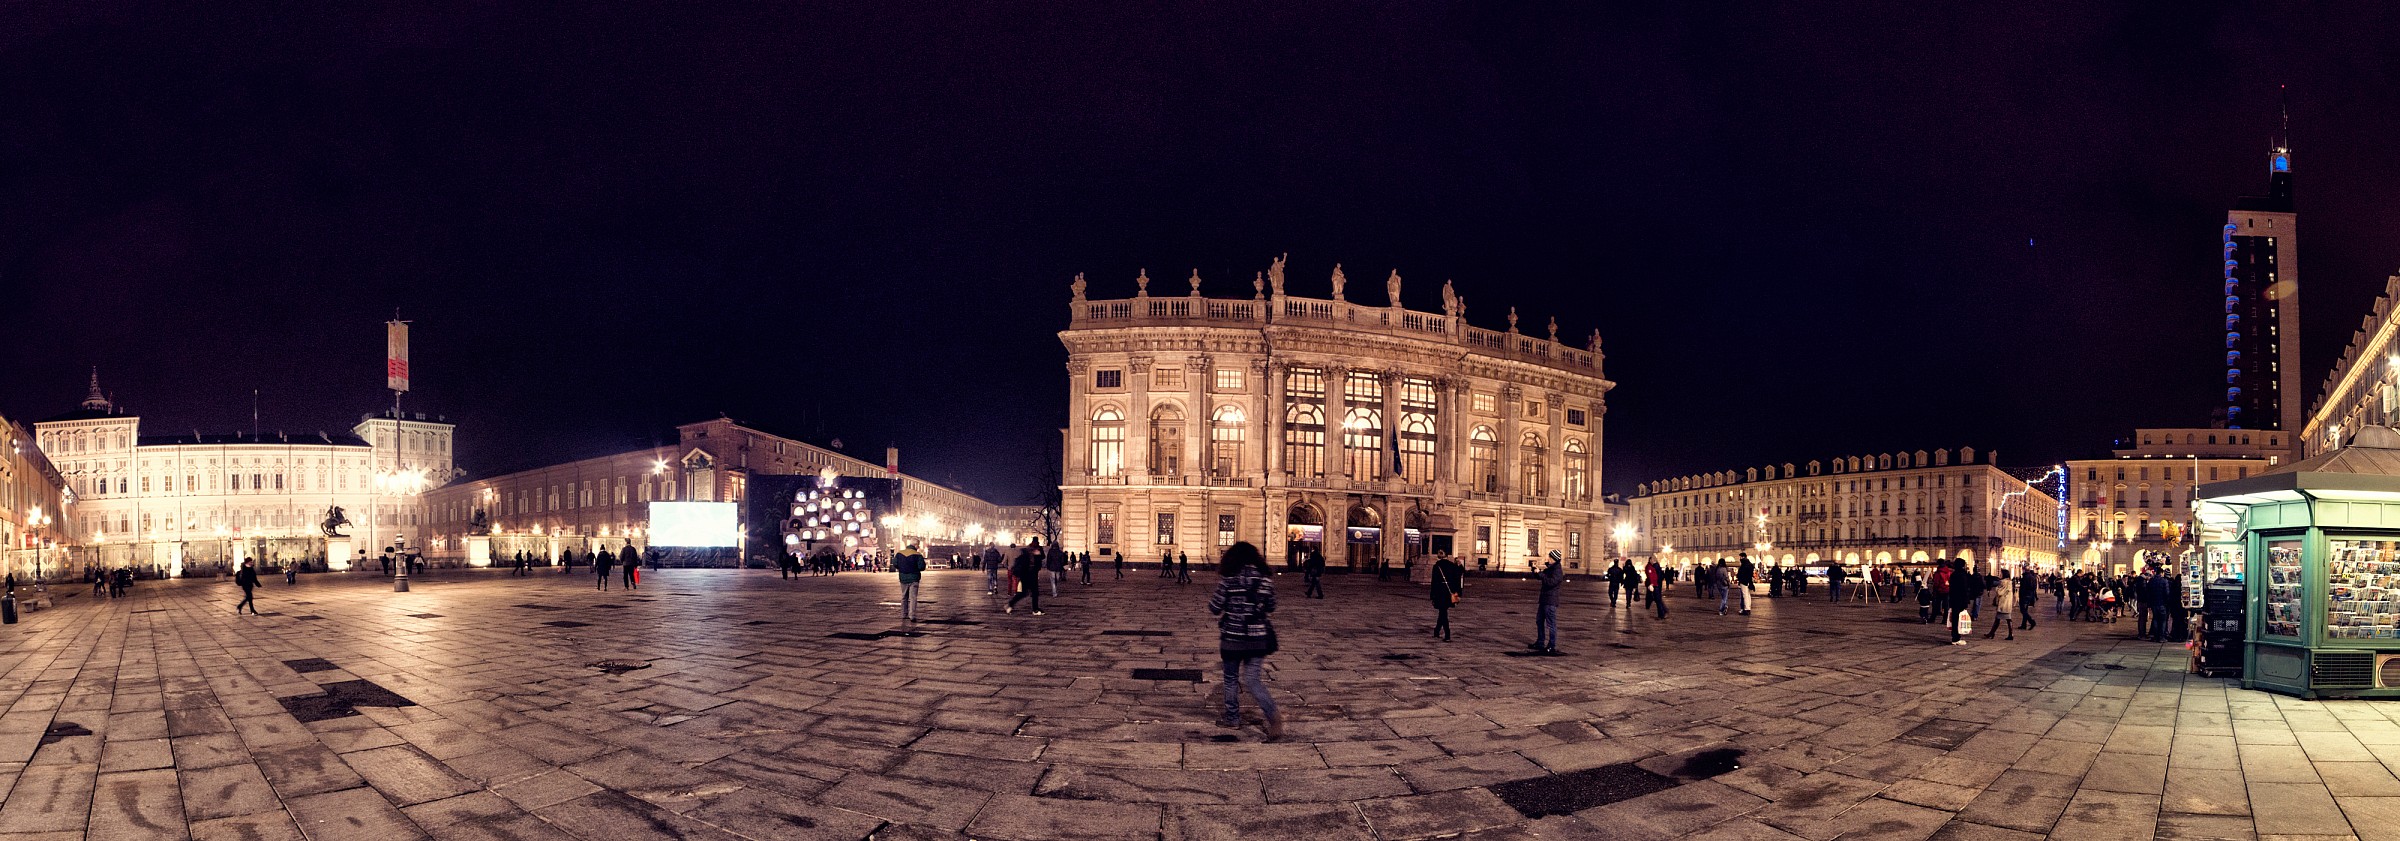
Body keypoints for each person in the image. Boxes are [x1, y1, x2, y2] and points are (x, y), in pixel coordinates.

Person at [1209, 541, 1282, 740]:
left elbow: (1215, 606)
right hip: (1257, 639)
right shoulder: (1265, 580)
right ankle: (1273, 715)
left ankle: (1232, 718)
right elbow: (1272, 606)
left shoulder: (1228, 579)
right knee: (1253, 680)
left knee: (1231, 679)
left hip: (1232, 639)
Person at [1532, 551, 1565, 653]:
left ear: (1553, 558)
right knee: (1539, 621)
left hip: (1550, 601)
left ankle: (1551, 645)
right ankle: (1540, 642)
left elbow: (1551, 582)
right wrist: (1534, 570)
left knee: (1551, 624)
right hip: (1544, 599)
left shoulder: (1557, 570)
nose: (1548, 558)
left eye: (1550, 557)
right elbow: (1541, 577)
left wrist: (1540, 574)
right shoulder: (1551, 568)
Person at [1945, 559, 1982, 645]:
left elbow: (1951, 588)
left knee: (1955, 619)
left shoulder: (1953, 574)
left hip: (1953, 599)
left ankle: (1955, 637)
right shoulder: (1963, 575)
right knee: (1958, 619)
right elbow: (1965, 589)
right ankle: (1956, 638)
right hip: (1960, 600)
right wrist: (1966, 601)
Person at [1431, 553, 1464, 642]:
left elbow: (1434, 582)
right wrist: (1460, 565)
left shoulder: (1436, 566)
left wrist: (1432, 596)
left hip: (1440, 592)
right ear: (1447, 556)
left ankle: (1447, 634)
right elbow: (1459, 575)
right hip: (1449, 593)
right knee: (1443, 612)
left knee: (1443, 613)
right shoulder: (1452, 565)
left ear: (1438, 557)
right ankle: (1436, 631)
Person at [1007, 538, 1044, 615]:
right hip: (1029, 575)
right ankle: (1035, 610)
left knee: (1027, 592)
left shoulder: (1028, 551)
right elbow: (1034, 562)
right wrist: (1037, 555)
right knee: (1032, 592)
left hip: (1027, 575)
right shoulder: (1031, 552)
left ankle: (1010, 604)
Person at [894, 542, 926, 622]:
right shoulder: (918, 555)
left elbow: (895, 564)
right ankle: (912, 615)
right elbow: (921, 567)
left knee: (904, 596)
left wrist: (902, 569)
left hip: (903, 578)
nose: (918, 547)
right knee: (913, 597)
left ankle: (903, 614)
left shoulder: (899, 553)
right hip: (914, 578)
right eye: (918, 545)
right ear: (915, 545)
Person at [1986, 570, 2017, 640]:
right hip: (2007, 603)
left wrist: (1996, 588)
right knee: (2007, 619)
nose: (2000, 574)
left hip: (2003, 603)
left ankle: (1992, 633)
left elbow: (2000, 592)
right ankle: (2010, 634)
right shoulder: (2010, 582)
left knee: (1999, 619)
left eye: (2001, 573)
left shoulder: (2003, 582)